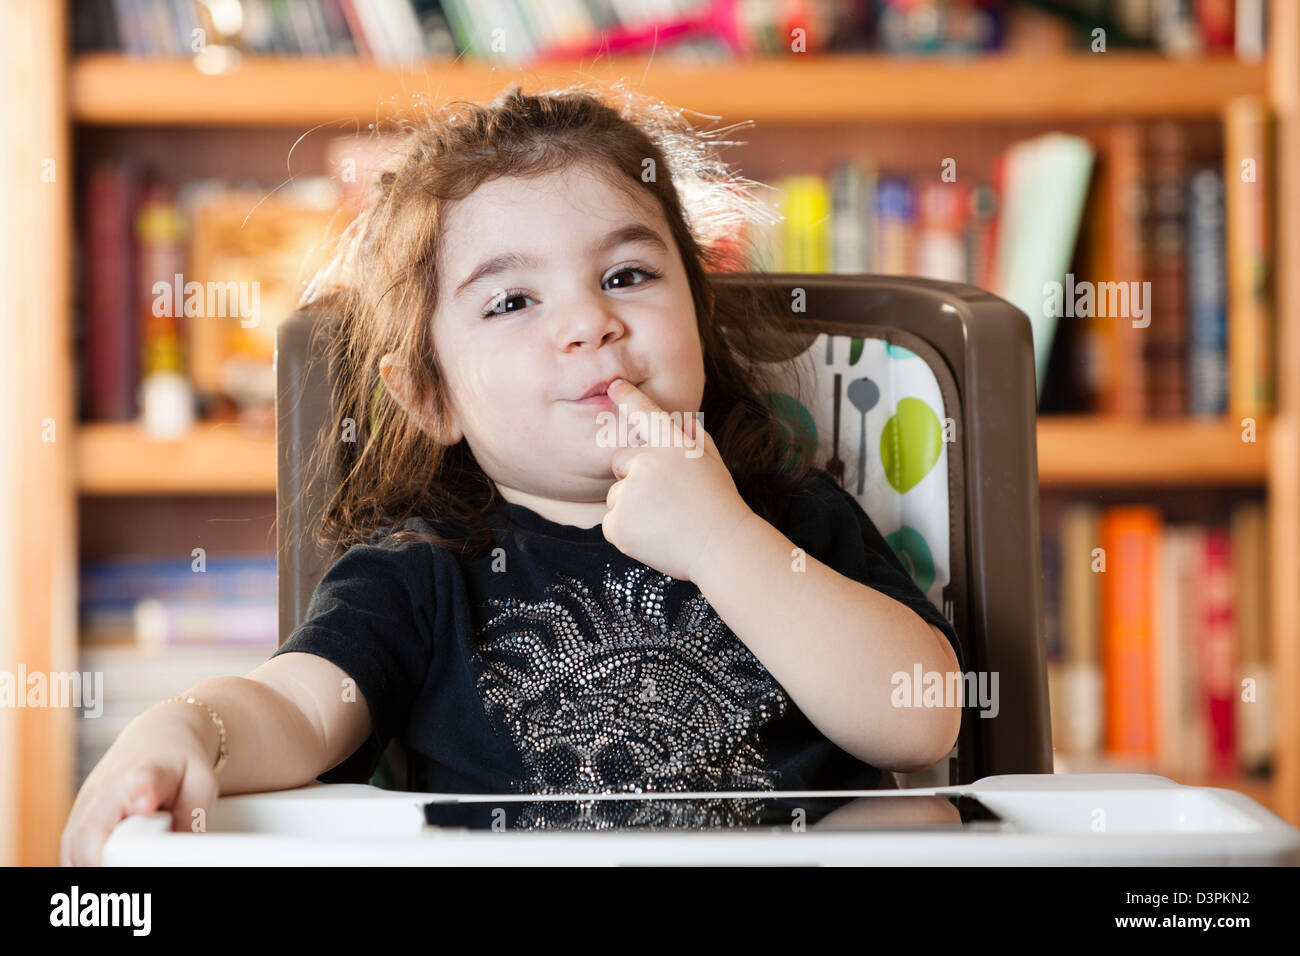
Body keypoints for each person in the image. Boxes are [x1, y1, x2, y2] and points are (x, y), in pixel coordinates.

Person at [62, 82, 963, 862]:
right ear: (429, 395)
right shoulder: (422, 573)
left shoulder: (789, 516)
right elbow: (295, 711)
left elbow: (921, 720)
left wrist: (724, 541)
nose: (588, 323)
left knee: (917, 821)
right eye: (513, 300)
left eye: (627, 275)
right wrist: (193, 728)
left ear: (698, 309)